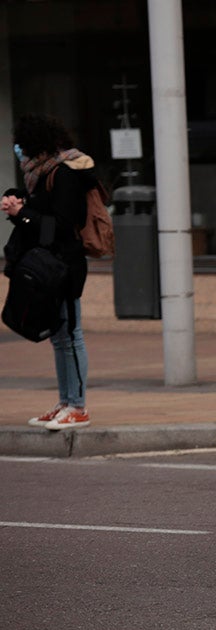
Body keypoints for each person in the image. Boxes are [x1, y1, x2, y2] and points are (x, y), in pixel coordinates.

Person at [2, 113, 95, 430]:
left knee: (71, 335)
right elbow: (43, 212)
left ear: (35, 145)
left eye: (23, 146)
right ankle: (65, 402)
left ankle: (78, 407)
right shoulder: (41, 175)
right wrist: (20, 204)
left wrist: (22, 213)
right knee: (59, 338)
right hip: (50, 265)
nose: (20, 152)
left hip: (65, 265)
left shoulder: (65, 174)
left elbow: (62, 224)